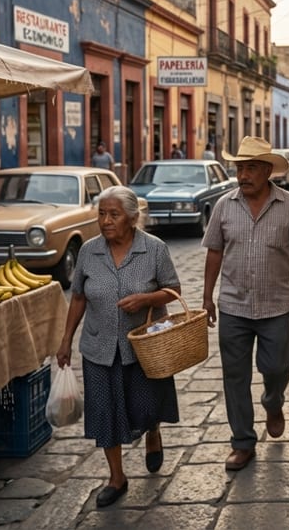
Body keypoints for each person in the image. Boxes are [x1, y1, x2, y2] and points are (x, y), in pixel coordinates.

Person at [55, 185, 181, 508]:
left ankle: (152, 430)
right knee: (104, 412)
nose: (106, 221)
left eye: (114, 214)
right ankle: (116, 477)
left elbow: (173, 289)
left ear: (133, 218)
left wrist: (146, 299)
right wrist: (66, 339)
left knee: (146, 406)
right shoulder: (89, 251)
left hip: (143, 347)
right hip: (99, 346)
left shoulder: (154, 249)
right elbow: (79, 296)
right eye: (101, 214)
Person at [202, 136, 289, 472]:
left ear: (267, 171)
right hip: (234, 306)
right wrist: (207, 296)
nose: (242, 175)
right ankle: (242, 442)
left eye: (250, 168)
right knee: (234, 376)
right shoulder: (224, 205)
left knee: (278, 368)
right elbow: (214, 251)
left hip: (275, 305)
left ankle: (273, 401)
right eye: (239, 168)